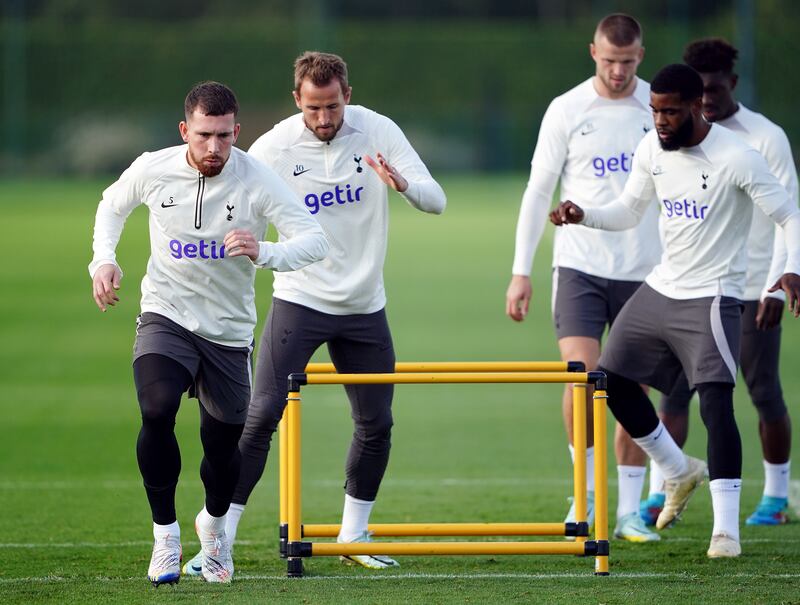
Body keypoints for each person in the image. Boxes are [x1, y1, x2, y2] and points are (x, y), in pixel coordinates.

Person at [182, 51, 446, 575]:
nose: (324, 120)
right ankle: (218, 540)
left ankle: (354, 535)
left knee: (377, 423)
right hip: (299, 299)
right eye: (313, 108)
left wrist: (404, 185)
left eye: (332, 107)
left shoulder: (377, 131)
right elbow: (231, 204)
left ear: (348, 94)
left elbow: (436, 200)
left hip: (365, 304)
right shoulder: (275, 146)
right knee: (258, 419)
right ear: (296, 100)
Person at [550, 63, 800, 558]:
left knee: (715, 403)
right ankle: (676, 467)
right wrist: (585, 215)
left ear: (695, 107)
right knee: (609, 379)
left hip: (713, 294)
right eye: (655, 111)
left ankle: (725, 532)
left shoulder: (736, 156)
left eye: (669, 112)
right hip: (662, 286)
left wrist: (791, 270)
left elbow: (789, 214)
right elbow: (628, 210)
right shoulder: (652, 148)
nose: (659, 121)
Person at [89, 81, 329, 586]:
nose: (215, 147)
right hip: (166, 313)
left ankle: (215, 530)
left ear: (237, 131)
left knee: (222, 448)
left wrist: (266, 254)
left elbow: (314, 240)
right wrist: (104, 260)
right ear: (185, 131)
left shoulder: (257, 180)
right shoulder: (154, 167)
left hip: (226, 331)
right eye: (204, 135)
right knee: (156, 410)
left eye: (224, 136)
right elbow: (112, 205)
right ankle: (166, 537)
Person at [505, 14, 661, 542]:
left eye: (629, 61)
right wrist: (520, 271)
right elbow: (537, 191)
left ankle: (631, 511)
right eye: (609, 60)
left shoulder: (656, 109)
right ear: (592, 52)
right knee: (581, 374)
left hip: (645, 268)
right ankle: (585, 495)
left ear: (641, 55)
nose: (618, 71)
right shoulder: (567, 109)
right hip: (580, 266)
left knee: (633, 387)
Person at [640, 39, 799, 529]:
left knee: (761, 388)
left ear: (731, 83)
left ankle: (775, 495)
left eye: (713, 88)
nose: (705, 99)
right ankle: (660, 488)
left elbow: (787, 214)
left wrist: (775, 285)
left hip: (752, 286)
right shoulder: (675, 139)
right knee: (673, 393)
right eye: (698, 90)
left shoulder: (763, 138)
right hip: (691, 287)